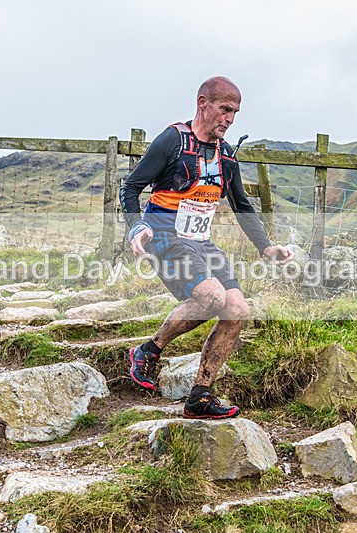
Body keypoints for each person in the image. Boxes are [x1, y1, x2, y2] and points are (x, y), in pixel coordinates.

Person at [119, 76, 292, 419]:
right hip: (164, 234)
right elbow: (131, 188)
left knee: (237, 309)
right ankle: (148, 351)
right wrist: (136, 227)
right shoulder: (172, 140)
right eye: (224, 109)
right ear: (203, 103)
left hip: (200, 240)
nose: (229, 119)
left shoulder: (226, 155)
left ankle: (199, 395)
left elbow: (242, 205)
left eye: (235, 113)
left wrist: (266, 248)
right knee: (211, 297)